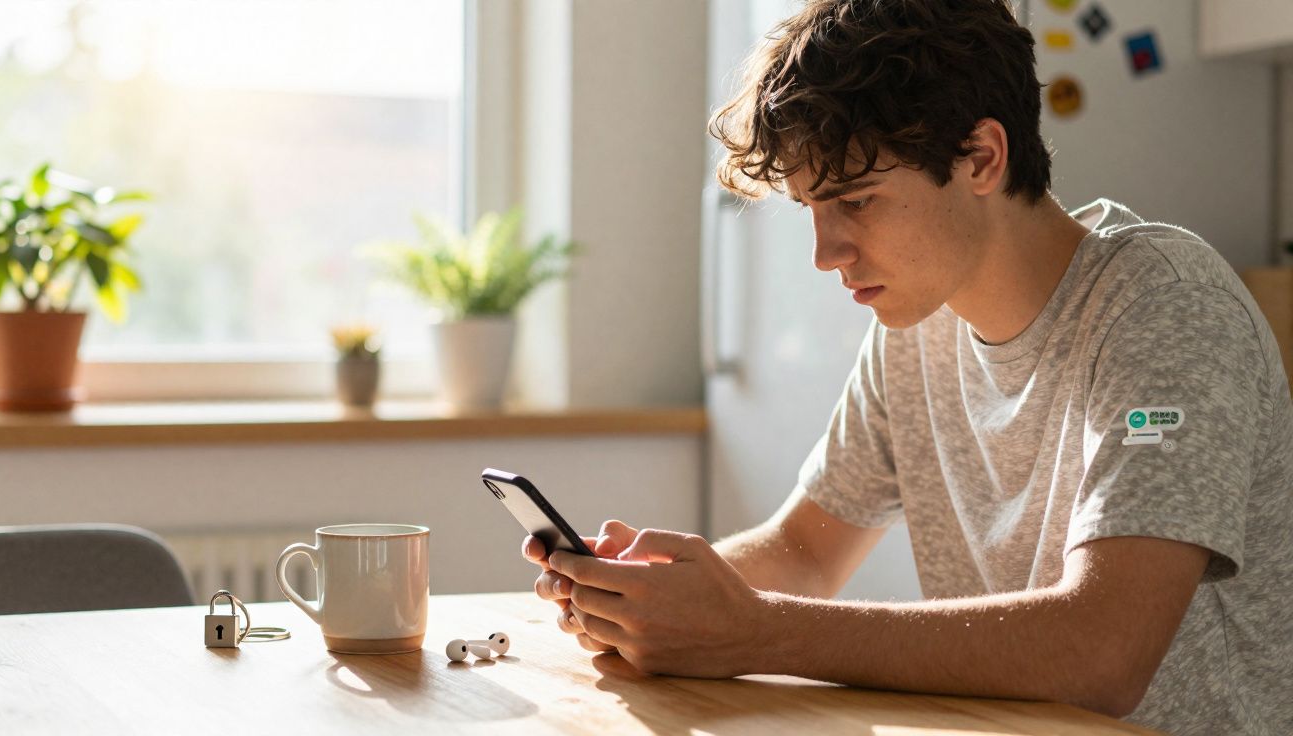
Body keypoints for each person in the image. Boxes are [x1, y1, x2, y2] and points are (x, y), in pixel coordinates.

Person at [523, 1, 1293, 733]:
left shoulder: (1164, 308)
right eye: (812, 210)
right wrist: (654, 593)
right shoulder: (919, 323)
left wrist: (755, 633)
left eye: (856, 201)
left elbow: (1103, 653)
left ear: (982, 158)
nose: (825, 255)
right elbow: (805, 553)